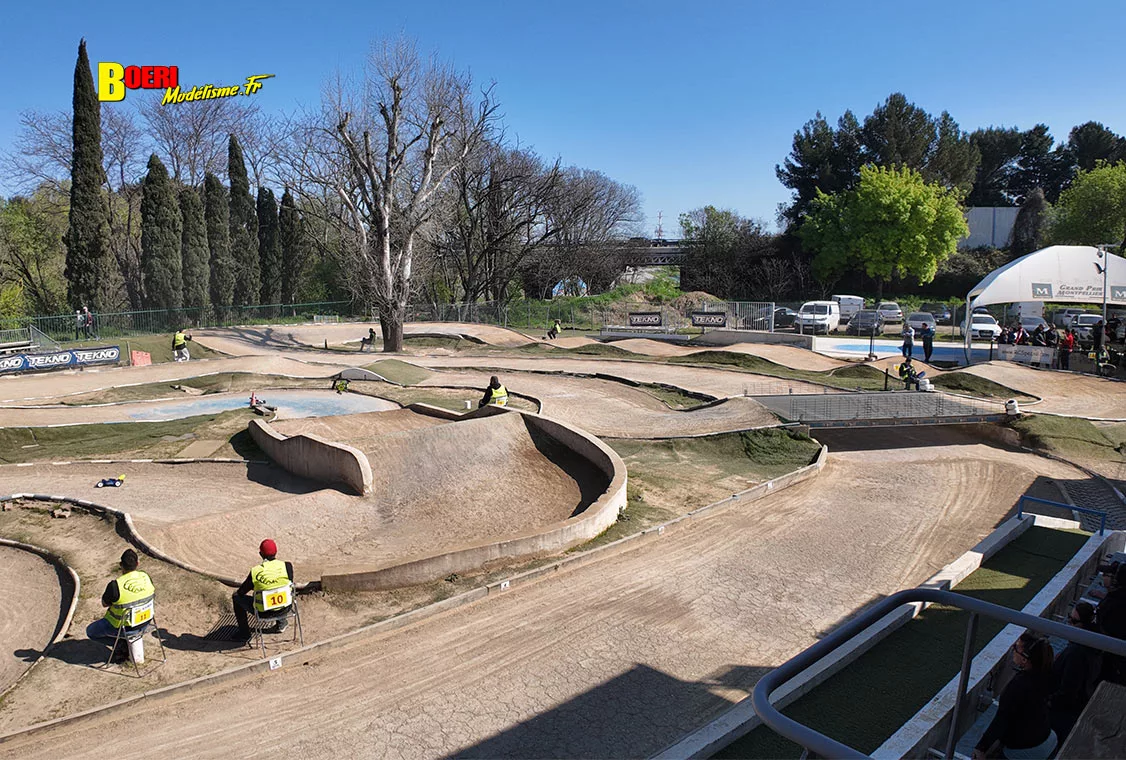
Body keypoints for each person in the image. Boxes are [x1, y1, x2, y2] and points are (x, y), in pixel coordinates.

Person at [974, 632, 1057, 759]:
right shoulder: (1046, 674)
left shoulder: (1019, 685)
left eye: (1016, 648)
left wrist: (981, 747)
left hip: (1028, 749)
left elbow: (1001, 719)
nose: (1013, 649)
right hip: (1048, 739)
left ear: (1024, 659)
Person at [86, 548, 155, 662]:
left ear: (120, 565)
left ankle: (121, 644)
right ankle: (125, 643)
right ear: (137, 564)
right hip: (146, 623)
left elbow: (104, 604)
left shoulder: (115, 585)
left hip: (124, 628)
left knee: (91, 631)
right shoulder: (146, 577)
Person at [1049, 602, 1103, 743]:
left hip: (1063, 714)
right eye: (1069, 617)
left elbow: (1067, 692)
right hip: (1077, 705)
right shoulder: (1094, 642)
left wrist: (1046, 701)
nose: (1069, 623)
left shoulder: (1076, 653)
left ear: (1084, 625)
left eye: (1073, 621)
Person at [231, 538, 294, 642]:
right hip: (285, 608)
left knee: (236, 597)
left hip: (263, 613)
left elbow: (242, 592)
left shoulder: (255, 572)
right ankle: (281, 623)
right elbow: (289, 582)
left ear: (261, 554)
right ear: (276, 552)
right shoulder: (287, 566)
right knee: (281, 590)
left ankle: (244, 633)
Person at [1097, 562, 1126, 684]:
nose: (1103, 576)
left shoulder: (1113, 604)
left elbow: (1105, 629)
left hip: (1113, 660)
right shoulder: (1116, 599)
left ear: (1115, 580)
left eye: (1106, 574)